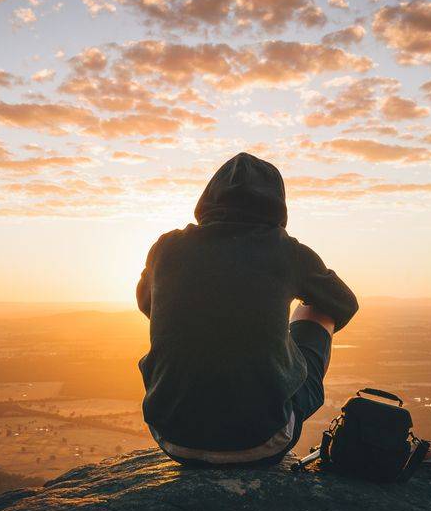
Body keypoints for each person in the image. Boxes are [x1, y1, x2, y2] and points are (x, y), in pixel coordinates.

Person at [135, 152, 358, 466]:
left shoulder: (166, 247)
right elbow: (343, 303)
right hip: (262, 442)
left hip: (171, 436)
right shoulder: (286, 251)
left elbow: (148, 303)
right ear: (276, 203)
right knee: (318, 310)